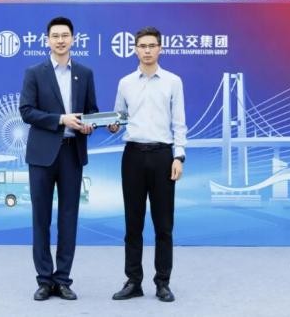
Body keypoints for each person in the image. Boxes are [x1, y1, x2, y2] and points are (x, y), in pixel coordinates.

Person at [19, 16, 98, 301]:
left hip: (71, 153)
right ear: (47, 40)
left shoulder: (85, 73)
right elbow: (26, 111)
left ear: (73, 39)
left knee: (68, 218)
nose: (61, 40)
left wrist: (89, 125)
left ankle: (63, 279)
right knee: (41, 219)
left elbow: (91, 111)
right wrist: (60, 119)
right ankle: (44, 280)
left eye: (65, 35)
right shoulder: (34, 72)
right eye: (55, 36)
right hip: (42, 155)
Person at [108, 26, 186, 303]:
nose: (148, 50)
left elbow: (179, 123)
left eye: (152, 45)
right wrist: (113, 124)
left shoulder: (173, 82)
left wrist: (179, 156)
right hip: (133, 156)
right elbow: (119, 117)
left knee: (164, 225)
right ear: (135, 49)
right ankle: (133, 281)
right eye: (143, 46)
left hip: (163, 156)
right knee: (133, 223)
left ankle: (162, 282)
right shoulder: (125, 83)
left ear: (160, 48)